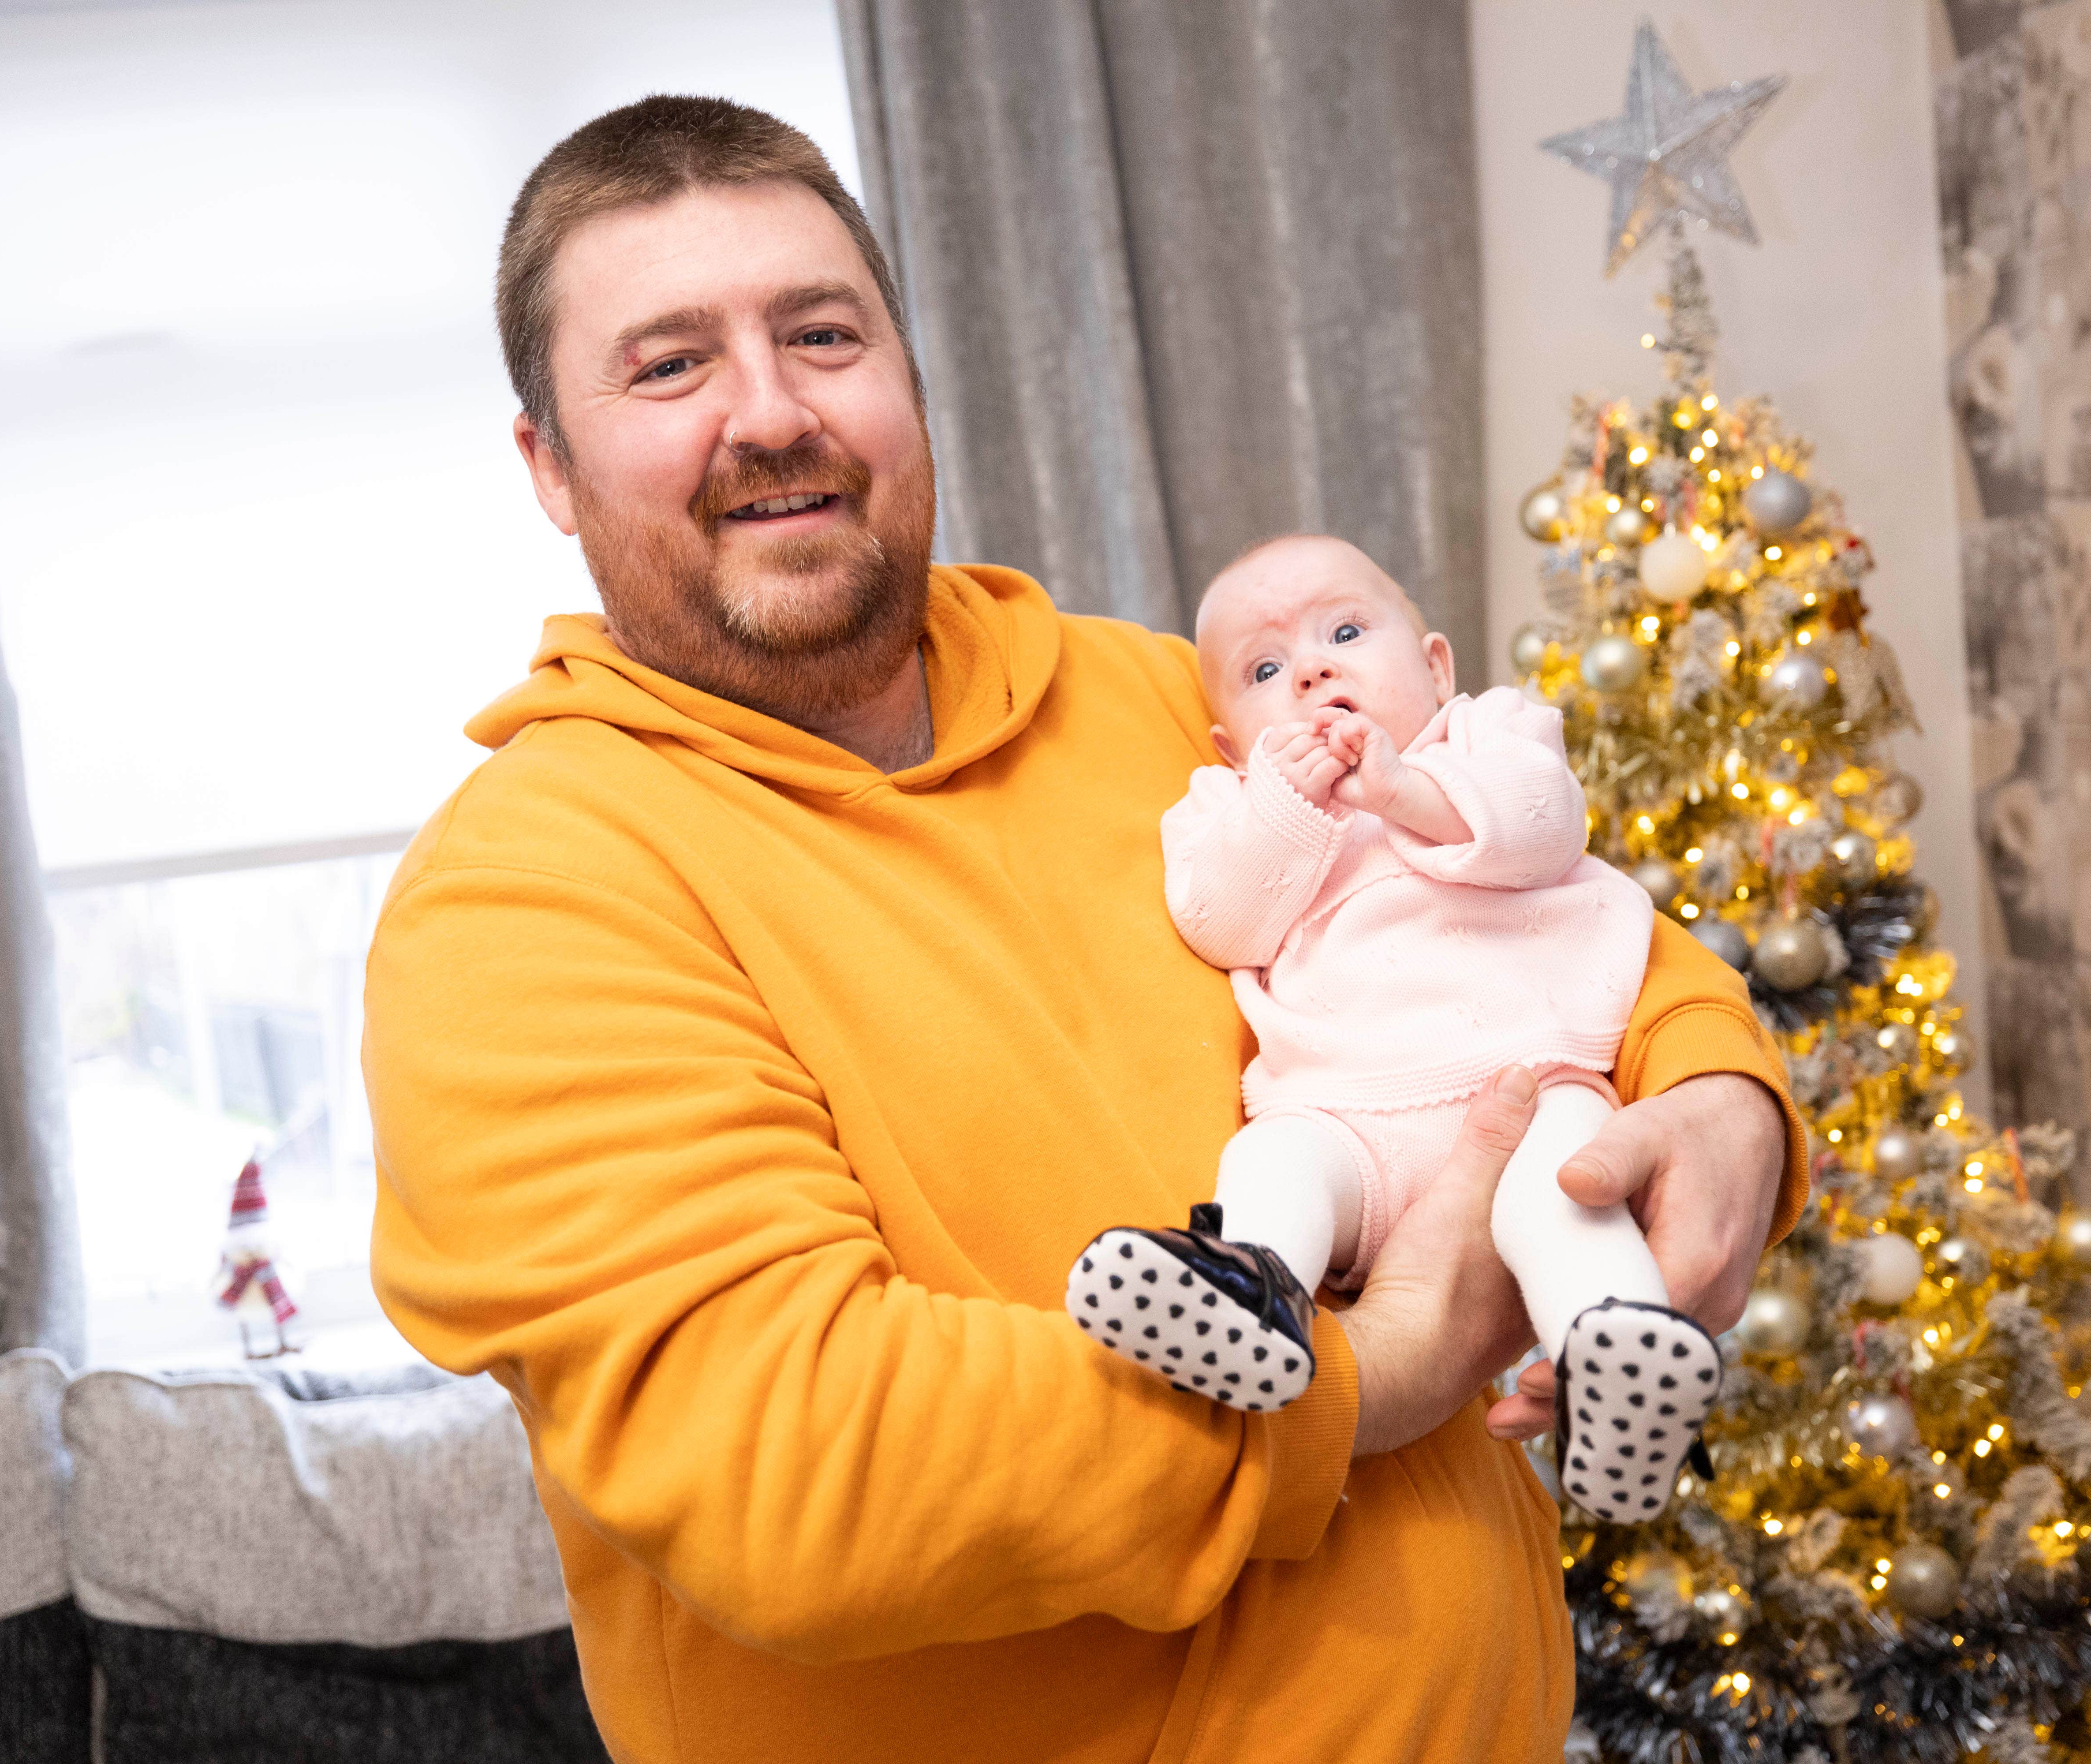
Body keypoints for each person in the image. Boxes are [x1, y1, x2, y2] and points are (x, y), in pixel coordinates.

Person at [363, 93, 1808, 1763]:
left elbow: (1500, 896)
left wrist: (1719, 1086)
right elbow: (806, 1467)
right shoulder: (523, 901)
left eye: (822, 335)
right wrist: (1389, 1364)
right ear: (548, 464)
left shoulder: (1152, 698)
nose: (770, 414)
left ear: (909, 379)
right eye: (668, 365)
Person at [1067, 535, 1719, 1524]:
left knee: (1571, 1196)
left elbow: (1546, 825)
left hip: (1529, 1085)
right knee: (1271, 1159)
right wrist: (1289, 806)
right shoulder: (1230, 806)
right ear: (1229, 744)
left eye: (1344, 631)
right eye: (1266, 670)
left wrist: (1401, 791)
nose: (1315, 671)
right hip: (1347, 1123)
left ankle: (1620, 1357)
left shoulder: (1487, 738)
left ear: (1436, 668)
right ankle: (1257, 1295)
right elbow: (1222, 920)